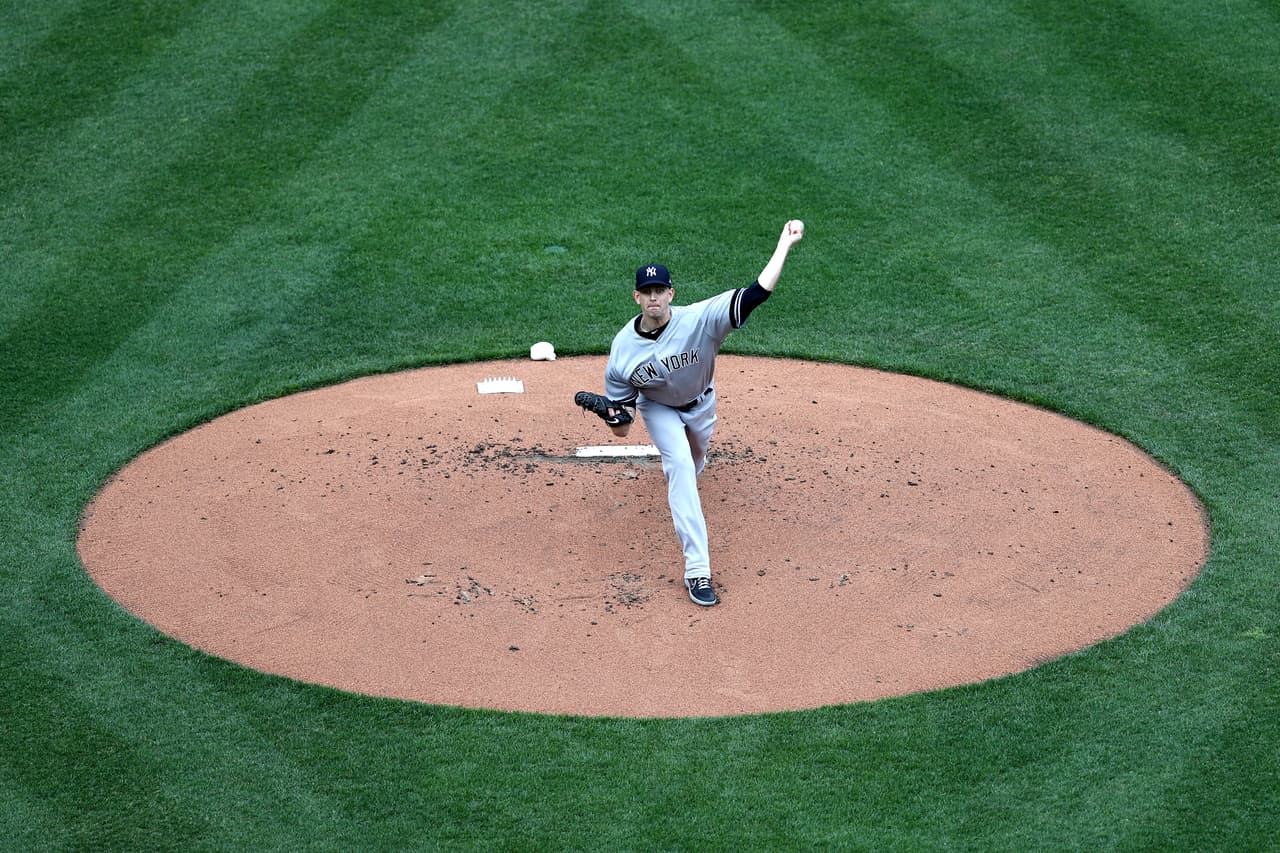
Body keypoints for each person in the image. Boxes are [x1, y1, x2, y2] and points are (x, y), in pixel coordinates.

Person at [574, 220, 805, 606]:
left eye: (659, 291)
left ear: (670, 293)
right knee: (679, 466)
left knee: (696, 460)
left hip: (702, 404)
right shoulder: (622, 351)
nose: (653, 298)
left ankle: (691, 473)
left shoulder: (699, 319)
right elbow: (624, 427)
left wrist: (783, 245)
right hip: (658, 408)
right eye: (646, 292)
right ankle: (697, 571)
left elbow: (756, 294)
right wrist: (613, 418)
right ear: (635, 297)